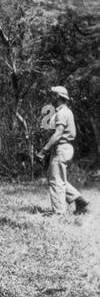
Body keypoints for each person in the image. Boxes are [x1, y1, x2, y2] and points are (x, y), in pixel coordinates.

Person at [40, 86, 88, 215]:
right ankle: (80, 200)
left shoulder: (62, 113)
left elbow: (58, 133)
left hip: (61, 147)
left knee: (56, 181)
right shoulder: (63, 111)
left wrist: (44, 150)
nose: (50, 97)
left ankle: (58, 213)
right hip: (63, 147)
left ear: (57, 97)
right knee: (58, 177)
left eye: (52, 95)